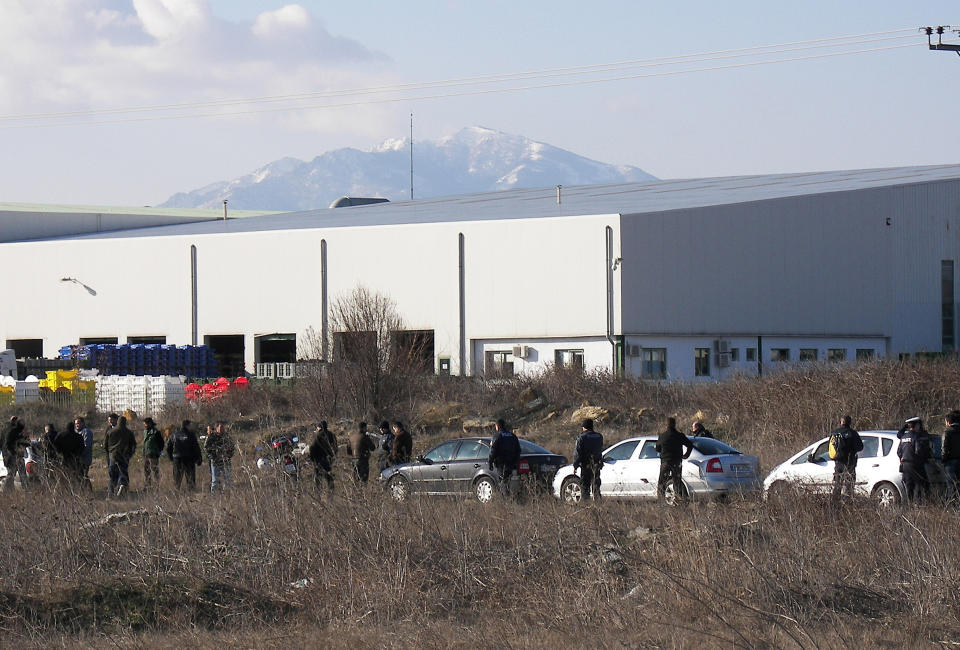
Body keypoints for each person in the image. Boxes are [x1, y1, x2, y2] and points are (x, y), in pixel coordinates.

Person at [655, 417, 693, 503]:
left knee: (662, 483)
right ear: (674, 424)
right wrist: (686, 455)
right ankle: (678, 500)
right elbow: (690, 445)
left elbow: (657, 448)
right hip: (677, 462)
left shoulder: (662, 436)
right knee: (677, 482)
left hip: (665, 462)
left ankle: (661, 501)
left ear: (666, 425)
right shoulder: (680, 436)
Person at [898, 416, 932, 503]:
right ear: (917, 425)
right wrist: (926, 458)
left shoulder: (903, 437)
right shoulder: (917, 436)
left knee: (909, 486)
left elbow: (899, 452)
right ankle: (923, 504)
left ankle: (910, 506)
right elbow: (919, 451)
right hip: (915, 464)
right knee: (923, 485)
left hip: (905, 465)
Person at [830, 415, 864, 499]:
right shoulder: (853, 433)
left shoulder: (834, 433)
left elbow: (831, 447)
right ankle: (848, 503)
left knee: (837, 485)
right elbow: (860, 447)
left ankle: (835, 504)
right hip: (850, 462)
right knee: (849, 486)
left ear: (841, 422)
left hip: (838, 462)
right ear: (850, 423)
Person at [104, 415, 137, 497]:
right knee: (123, 473)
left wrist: (109, 452)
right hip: (124, 456)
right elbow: (133, 445)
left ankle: (110, 495)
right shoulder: (129, 433)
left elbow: (105, 445)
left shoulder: (110, 432)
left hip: (113, 456)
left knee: (112, 476)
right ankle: (121, 486)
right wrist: (130, 454)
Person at [165, 420, 203, 491]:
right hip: (189, 459)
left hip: (177, 459)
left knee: (177, 479)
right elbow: (196, 448)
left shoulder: (174, 434)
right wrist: (199, 458)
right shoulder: (191, 435)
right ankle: (191, 495)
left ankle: (176, 495)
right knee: (190, 479)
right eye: (190, 425)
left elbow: (168, 447)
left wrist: (171, 457)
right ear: (187, 425)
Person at [488, 419, 522, 498]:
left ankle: (506, 500)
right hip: (511, 463)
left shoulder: (497, 436)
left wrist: (490, 462)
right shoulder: (512, 436)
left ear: (497, 426)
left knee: (503, 481)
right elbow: (518, 450)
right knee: (509, 481)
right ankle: (511, 497)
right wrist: (515, 462)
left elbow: (493, 450)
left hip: (501, 463)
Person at [573, 418, 604, 501]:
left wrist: (575, 465)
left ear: (584, 427)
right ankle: (598, 504)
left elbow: (577, 453)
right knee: (596, 486)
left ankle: (586, 506)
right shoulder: (599, 436)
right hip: (596, 464)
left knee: (585, 487)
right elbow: (600, 450)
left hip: (585, 465)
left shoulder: (581, 437)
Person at [205, 421, 235, 493]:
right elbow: (206, 448)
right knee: (215, 481)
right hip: (215, 462)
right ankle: (214, 498)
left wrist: (228, 456)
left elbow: (232, 448)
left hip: (226, 462)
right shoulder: (211, 437)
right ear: (217, 428)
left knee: (228, 481)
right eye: (220, 427)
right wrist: (213, 457)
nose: (222, 429)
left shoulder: (227, 437)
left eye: (223, 427)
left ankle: (227, 497)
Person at [54, 419, 85, 487]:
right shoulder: (78, 436)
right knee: (77, 476)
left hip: (64, 458)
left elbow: (55, 445)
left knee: (64, 476)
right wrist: (77, 454)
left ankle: (65, 489)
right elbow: (82, 448)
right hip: (75, 459)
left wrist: (59, 452)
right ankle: (79, 488)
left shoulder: (61, 435)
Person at [2, 416, 29, 491]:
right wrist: (13, 453)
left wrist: (24, 442)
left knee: (22, 474)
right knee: (11, 474)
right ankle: (7, 490)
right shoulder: (11, 431)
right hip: (12, 456)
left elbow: (27, 442)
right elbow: (7, 444)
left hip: (19, 456)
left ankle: (26, 489)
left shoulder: (21, 432)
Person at [309, 421, 337, 492]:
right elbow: (335, 448)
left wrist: (312, 459)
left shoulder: (317, 436)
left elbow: (312, 448)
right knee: (329, 478)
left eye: (317, 427)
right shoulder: (331, 435)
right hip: (328, 460)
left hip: (319, 460)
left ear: (319, 427)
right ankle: (331, 495)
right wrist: (332, 457)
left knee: (318, 479)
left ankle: (318, 495)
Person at [943, 410, 960, 501]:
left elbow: (944, 449)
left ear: (948, 422)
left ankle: (952, 506)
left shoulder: (948, 432)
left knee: (951, 486)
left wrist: (943, 460)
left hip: (950, 463)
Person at [141, 417, 164, 488]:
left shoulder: (156, 432)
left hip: (154, 455)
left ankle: (157, 485)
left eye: (145, 424)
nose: (144, 425)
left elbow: (161, 443)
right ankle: (148, 485)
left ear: (150, 424)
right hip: (146, 454)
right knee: (146, 471)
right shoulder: (145, 432)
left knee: (155, 470)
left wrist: (158, 451)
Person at [75, 416, 94, 489]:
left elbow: (87, 445)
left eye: (78, 423)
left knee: (83, 475)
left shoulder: (86, 432)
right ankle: (83, 490)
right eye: (76, 423)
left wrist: (80, 454)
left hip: (84, 458)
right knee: (79, 476)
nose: (77, 425)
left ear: (83, 423)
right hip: (78, 459)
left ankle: (88, 490)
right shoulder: (76, 432)